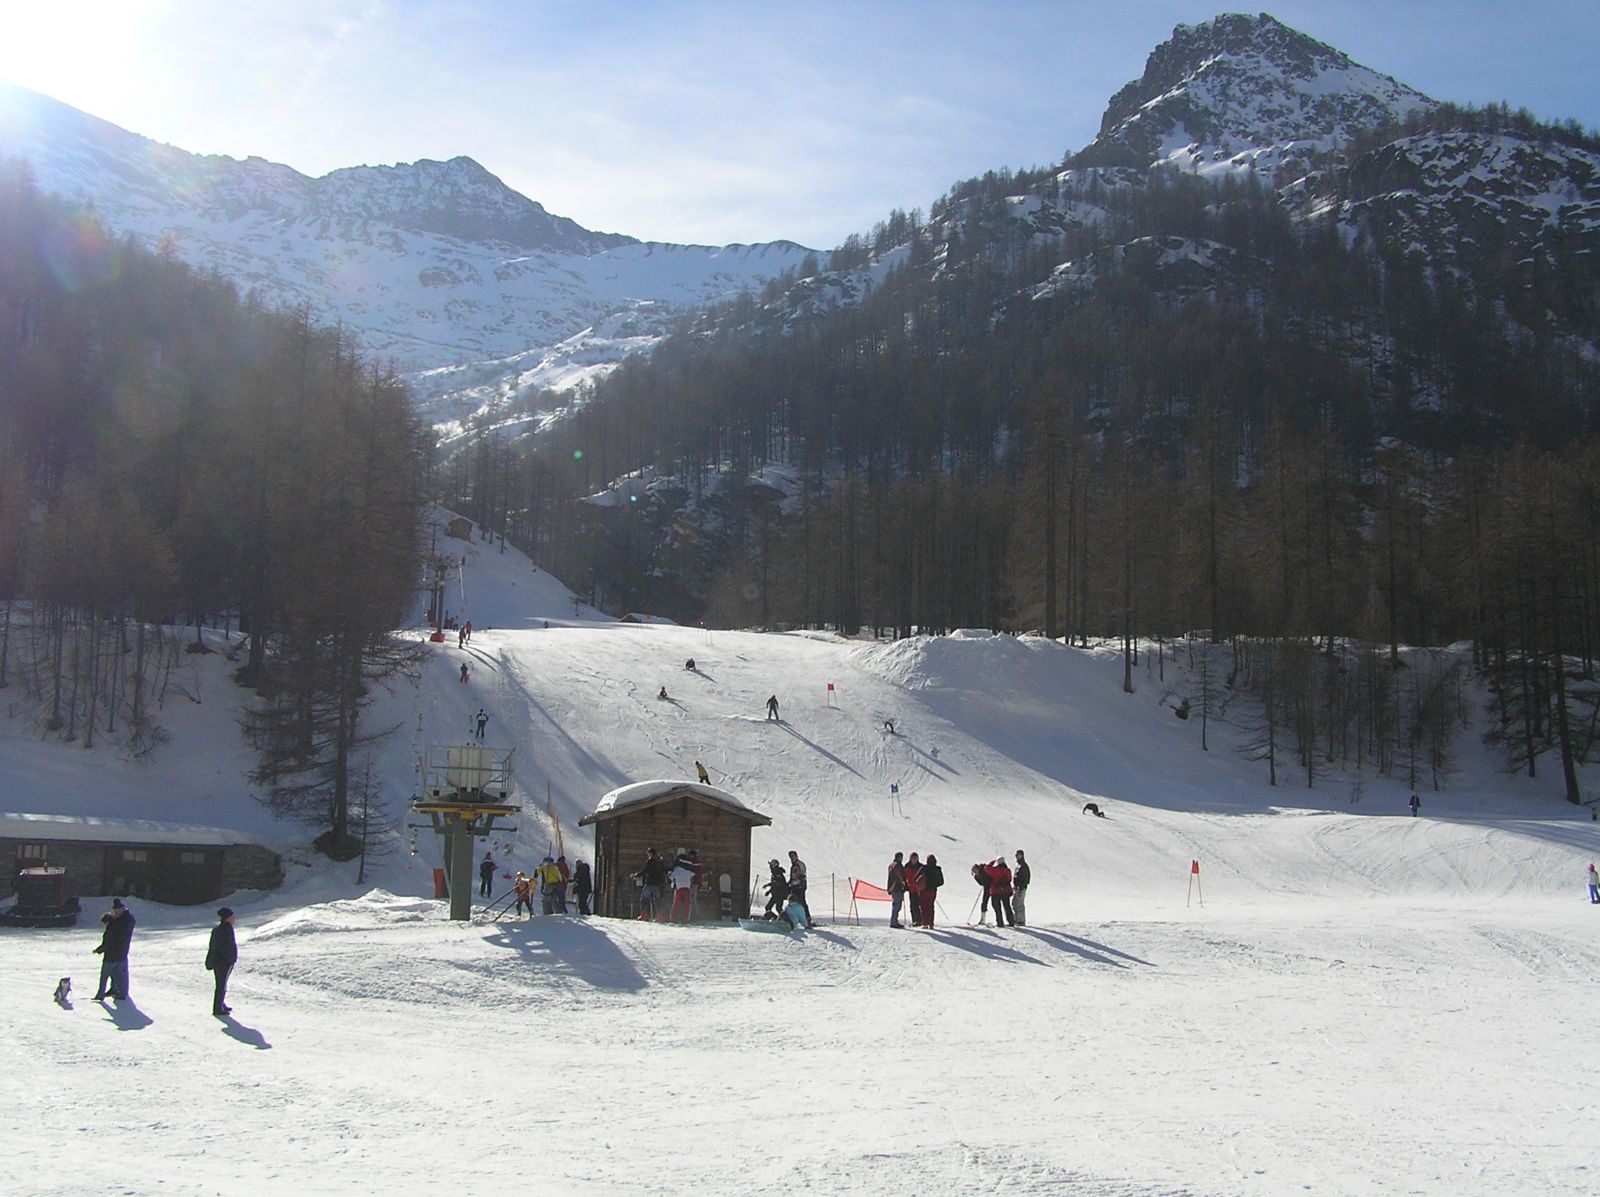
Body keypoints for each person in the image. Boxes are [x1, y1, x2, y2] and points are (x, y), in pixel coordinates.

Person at [92, 897, 136, 1001]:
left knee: (105, 976)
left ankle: (100, 995)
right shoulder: (126, 920)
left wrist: (99, 950)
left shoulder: (114, 926)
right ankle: (118, 991)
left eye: (116, 911)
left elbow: (108, 943)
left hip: (111, 956)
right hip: (123, 953)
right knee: (120, 974)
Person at [205, 908, 238, 1016]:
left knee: (222, 984)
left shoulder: (219, 928)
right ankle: (218, 1009)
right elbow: (226, 947)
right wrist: (230, 959)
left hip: (219, 960)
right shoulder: (226, 929)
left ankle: (221, 1004)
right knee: (221, 985)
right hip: (222, 961)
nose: (234, 918)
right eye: (232, 916)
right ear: (227, 918)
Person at [634, 848, 667, 921]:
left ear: (650, 853)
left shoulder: (650, 861)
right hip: (658, 884)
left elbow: (645, 870)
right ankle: (660, 916)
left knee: (644, 899)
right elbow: (663, 871)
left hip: (650, 883)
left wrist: (637, 875)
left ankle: (644, 915)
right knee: (657, 901)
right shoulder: (660, 861)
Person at [984, 857, 1014, 927]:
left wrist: (993, 861)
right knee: (1007, 907)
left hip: (996, 891)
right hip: (1006, 891)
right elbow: (1009, 879)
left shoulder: (995, 870)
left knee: (997, 908)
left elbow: (987, 868)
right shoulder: (1008, 870)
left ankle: (1000, 923)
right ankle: (1011, 921)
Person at [669, 848, 696, 923]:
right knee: (687, 904)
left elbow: (671, 877)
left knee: (676, 904)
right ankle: (686, 919)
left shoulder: (676, 869)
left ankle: (673, 918)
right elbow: (693, 874)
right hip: (687, 887)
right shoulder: (688, 869)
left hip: (678, 888)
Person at [786, 850, 811, 926]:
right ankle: (795, 918)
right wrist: (789, 883)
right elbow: (792, 877)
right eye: (790, 857)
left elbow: (802, 875)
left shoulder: (799, 864)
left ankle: (807, 918)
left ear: (796, 856)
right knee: (793, 902)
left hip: (800, 887)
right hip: (794, 887)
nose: (792, 858)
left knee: (802, 902)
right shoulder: (793, 865)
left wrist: (799, 882)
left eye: (793, 856)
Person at [921, 854, 944, 927]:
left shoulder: (924, 868)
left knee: (924, 906)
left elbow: (916, 878)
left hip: (924, 890)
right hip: (933, 890)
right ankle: (931, 923)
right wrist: (935, 884)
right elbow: (941, 882)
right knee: (931, 906)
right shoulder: (937, 869)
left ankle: (925, 923)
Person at [887, 852, 907, 929]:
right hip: (897, 887)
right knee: (897, 905)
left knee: (896, 904)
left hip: (892, 887)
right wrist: (903, 883)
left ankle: (894, 921)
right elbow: (899, 875)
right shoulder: (897, 865)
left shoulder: (891, 865)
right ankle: (894, 922)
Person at [904, 852, 925, 927]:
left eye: (915, 858)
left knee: (919, 905)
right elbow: (904, 877)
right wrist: (905, 886)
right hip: (911, 889)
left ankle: (920, 920)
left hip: (920, 889)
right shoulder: (907, 866)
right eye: (913, 858)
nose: (914, 860)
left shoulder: (920, 867)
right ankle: (915, 920)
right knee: (913, 906)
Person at [1013, 850, 1030, 926]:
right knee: (1014, 903)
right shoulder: (1019, 865)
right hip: (1017, 887)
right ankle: (1016, 919)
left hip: (1021, 888)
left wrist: (1021, 889)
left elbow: (1025, 879)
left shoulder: (1023, 866)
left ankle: (1021, 920)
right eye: (1016, 855)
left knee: (1019, 903)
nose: (1017, 856)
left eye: (1018, 855)